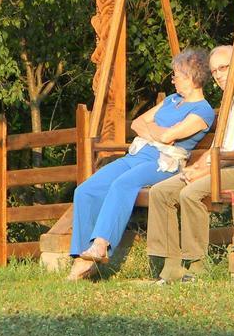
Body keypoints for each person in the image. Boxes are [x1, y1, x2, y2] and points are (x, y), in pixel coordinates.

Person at [67, 49, 215, 282]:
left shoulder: (202, 111)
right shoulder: (171, 100)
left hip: (163, 163)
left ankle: (101, 245)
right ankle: (83, 257)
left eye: (176, 75)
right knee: (86, 190)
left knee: (122, 184)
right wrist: (158, 132)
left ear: (192, 77)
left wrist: (155, 131)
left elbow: (168, 138)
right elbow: (137, 123)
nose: (172, 79)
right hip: (138, 156)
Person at [146, 45, 234, 281]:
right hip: (224, 166)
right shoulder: (232, 100)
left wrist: (205, 172)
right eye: (215, 71)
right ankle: (170, 268)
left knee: (191, 193)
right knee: (160, 192)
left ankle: (196, 267)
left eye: (223, 68)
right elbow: (217, 147)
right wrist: (196, 167)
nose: (219, 75)